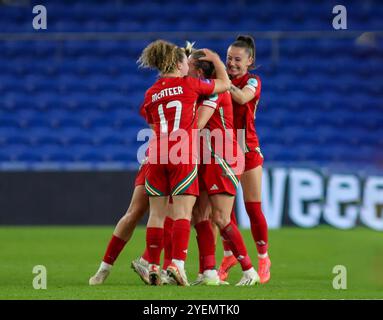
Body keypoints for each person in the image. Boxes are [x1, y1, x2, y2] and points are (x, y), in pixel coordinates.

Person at [138, 40, 231, 286]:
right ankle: (176, 264)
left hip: (157, 152)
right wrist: (217, 62)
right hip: (183, 151)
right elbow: (225, 85)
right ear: (178, 63)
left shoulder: (150, 93)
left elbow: (152, 125)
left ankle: (154, 266)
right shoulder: (189, 83)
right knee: (182, 212)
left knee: (156, 215)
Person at [187, 47, 260, 286]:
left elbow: (196, 125)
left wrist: (218, 60)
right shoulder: (199, 89)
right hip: (207, 158)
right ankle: (207, 272)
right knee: (200, 214)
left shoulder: (214, 90)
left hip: (223, 157)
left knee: (220, 216)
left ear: (198, 70)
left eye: (188, 65)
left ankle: (249, 270)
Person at [218, 35, 271, 284]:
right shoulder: (222, 79)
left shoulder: (252, 81)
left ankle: (263, 258)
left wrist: (221, 79)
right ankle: (228, 255)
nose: (232, 63)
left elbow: (241, 98)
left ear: (250, 60)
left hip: (247, 148)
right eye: (228, 58)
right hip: (224, 150)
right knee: (223, 213)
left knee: (252, 207)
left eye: (238, 59)